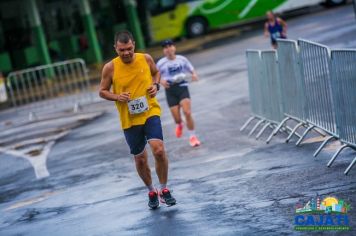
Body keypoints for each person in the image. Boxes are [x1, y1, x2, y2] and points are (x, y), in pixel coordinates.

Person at [99, 31, 176, 209]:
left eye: (129, 49)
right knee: (140, 159)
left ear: (134, 44)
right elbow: (102, 91)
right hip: (129, 119)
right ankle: (151, 191)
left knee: (158, 150)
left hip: (150, 111)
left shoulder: (145, 58)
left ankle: (164, 189)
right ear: (115, 48)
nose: (126, 53)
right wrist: (117, 96)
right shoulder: (110, 68)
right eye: (121, 50)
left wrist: (156, 85)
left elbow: (156, 73)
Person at [156, 39, 201, 147]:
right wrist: (161, 81)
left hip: (182, 87)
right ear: (164, 50)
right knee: (177, 118)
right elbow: (155, 76)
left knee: (187, 112)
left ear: (174, 47)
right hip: (170, 90)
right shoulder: (161, 63)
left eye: (170, 46)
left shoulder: (182, 59)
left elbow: (191, 69)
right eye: (165, 47)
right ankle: (179, 124)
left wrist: (194, 74)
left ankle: (193, 137)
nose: (168, 49)